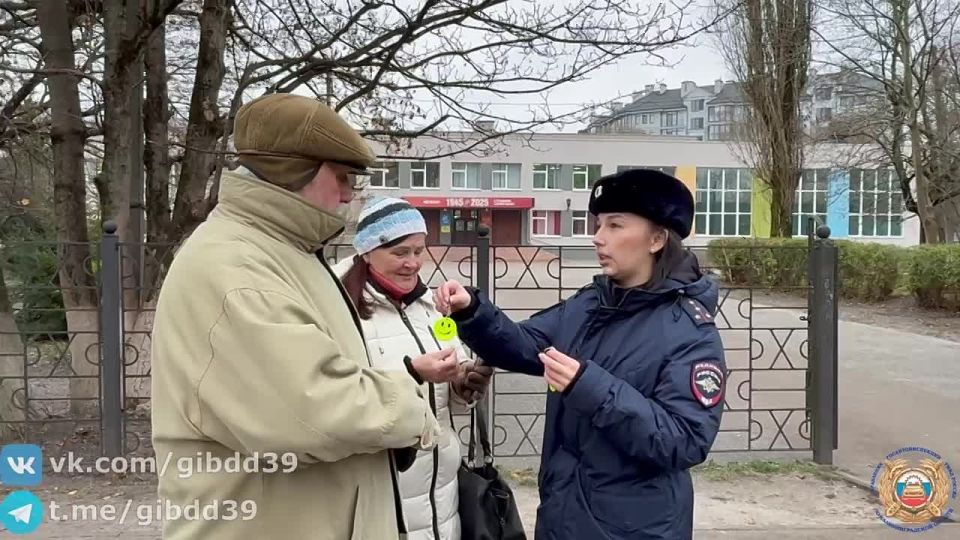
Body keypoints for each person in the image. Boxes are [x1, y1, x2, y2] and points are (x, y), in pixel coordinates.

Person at [150, 93, 446, 540]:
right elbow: (314, 408)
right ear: (292, 171)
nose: (349, 193)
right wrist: (411, 407)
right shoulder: (235, 266)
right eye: (341, 176)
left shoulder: (284, 251)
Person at [434, 168, 727, 540]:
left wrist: (586, 385)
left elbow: (684, 440)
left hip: (636, 529)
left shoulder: (689, 330)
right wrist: (471, 310)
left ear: (656, 238)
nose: (597, 238)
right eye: (598, 224)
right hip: (562, 517)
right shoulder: (590, 304)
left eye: (615, 226)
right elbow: (523, 346)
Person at [332, 196, 494, 540]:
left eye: (419, 251)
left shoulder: (430, 308)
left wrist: (463, 385)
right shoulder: (338, 310)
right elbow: (338, 398)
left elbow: (448, 397)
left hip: (442, 499)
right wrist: (412, 372)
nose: (412, 263)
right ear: (367, 252)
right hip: (383, 498)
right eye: (399, 253)